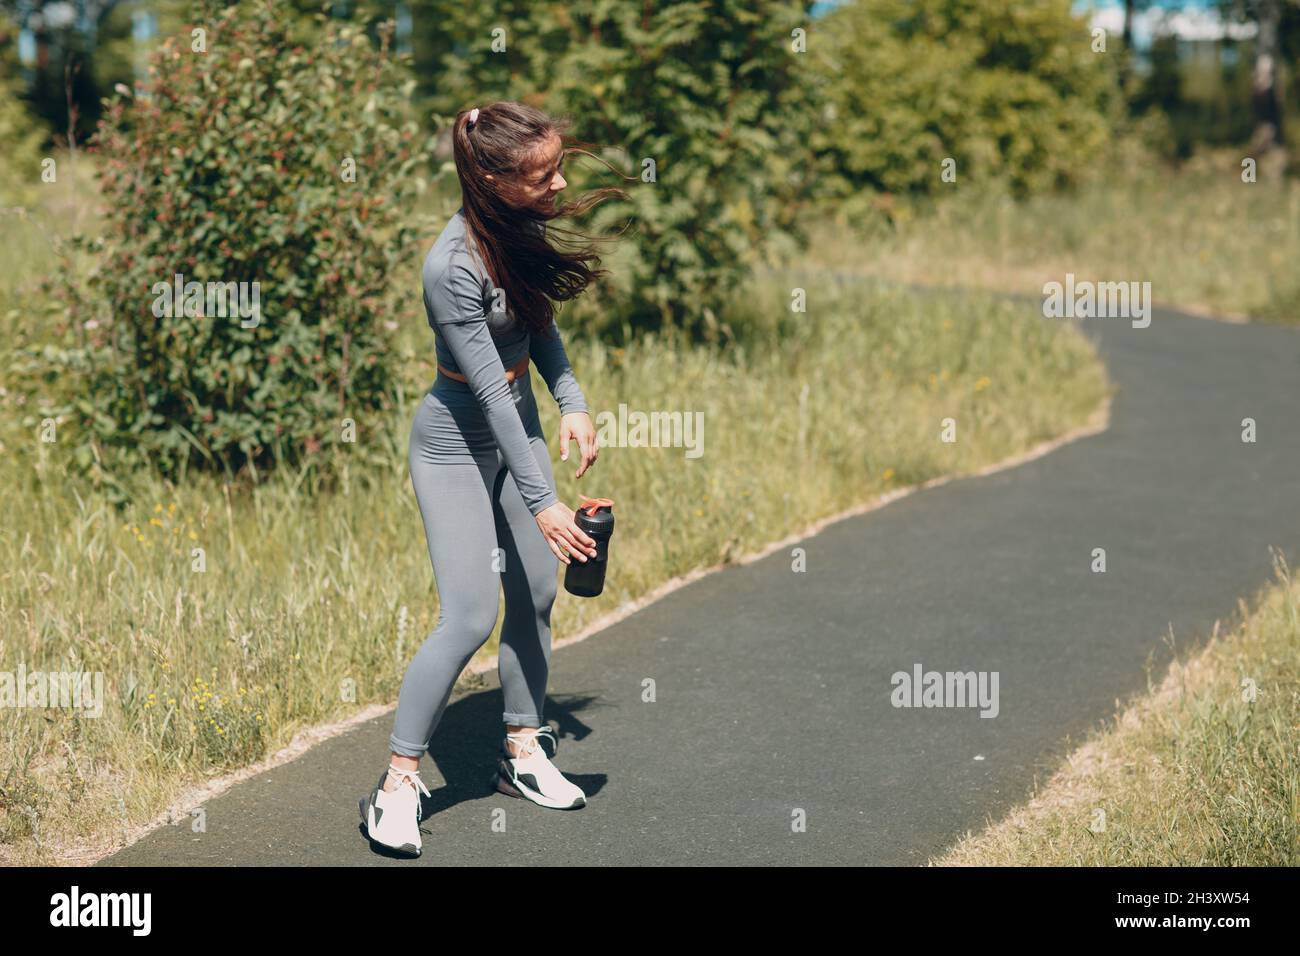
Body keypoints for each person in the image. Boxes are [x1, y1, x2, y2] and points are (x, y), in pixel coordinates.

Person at [360, 101, 630, 857]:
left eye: (558, 169)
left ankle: (522, 749)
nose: (559, 184)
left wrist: (572, 402)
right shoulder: (450, 267)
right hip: (454, 445)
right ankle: (397, 784)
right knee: (470, 615)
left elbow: (540, 326)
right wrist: (542, 502)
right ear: (492, 180)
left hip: (520, 428)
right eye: (544, 175)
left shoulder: (518, 228)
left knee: (539, 589)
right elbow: (486, 391)